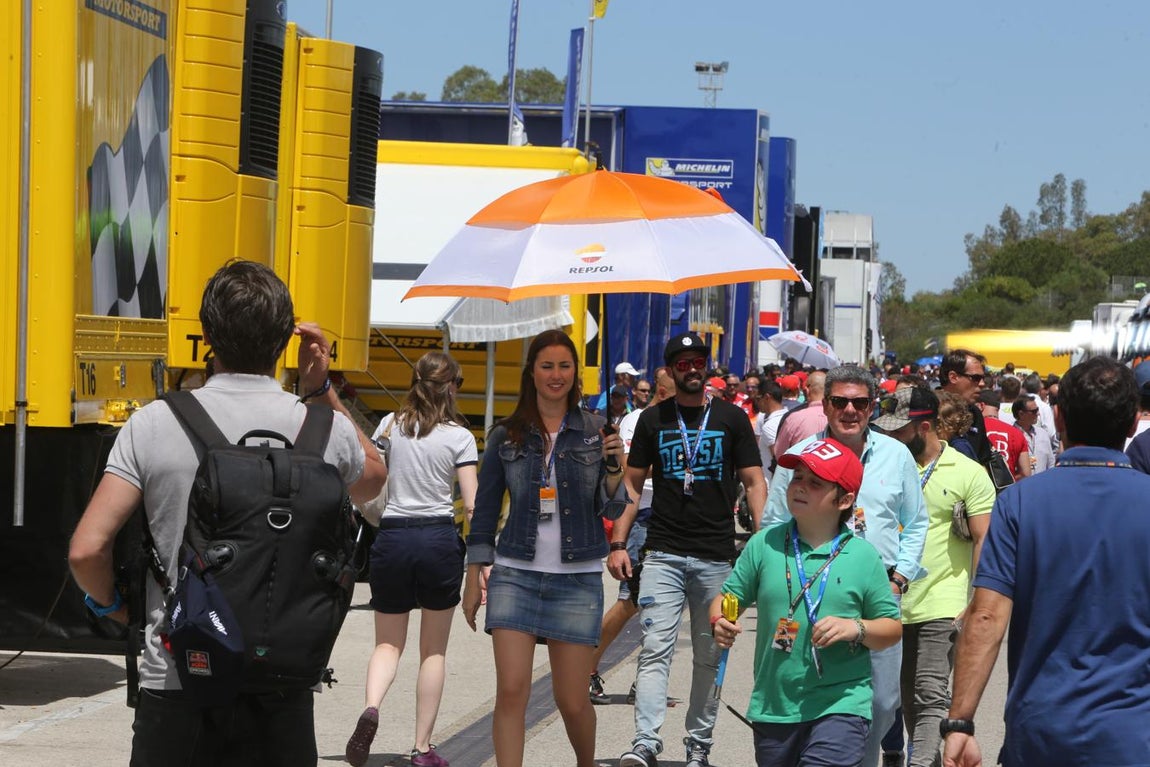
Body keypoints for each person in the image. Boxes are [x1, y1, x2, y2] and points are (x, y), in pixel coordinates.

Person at [68, 260, 386, 766]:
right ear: (286, 339)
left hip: (178, 675)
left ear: (207, 334)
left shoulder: (155, 423)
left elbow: (87, 549)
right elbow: (374, 476)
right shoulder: (323, 430)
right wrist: (321, 386)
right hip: (283, 681)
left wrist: (114, 608)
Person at [943, 357, 1150, 767]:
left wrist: (961, 722)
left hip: (1042, 730)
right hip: (1135, 734)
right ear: (1132, 425)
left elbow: (987, 617)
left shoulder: (1021, 502)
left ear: (1058, 415)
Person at [461, 329, 627, 767]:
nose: (557, 375)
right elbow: (484, 509)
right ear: (531, 372)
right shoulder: (506, 435)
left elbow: (613, 504)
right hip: (515, 572)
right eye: (547, 365)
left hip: (576, 579)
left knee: (571, 700)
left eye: (565, 366)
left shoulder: (597, 432)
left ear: (576, 373)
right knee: (512, 689)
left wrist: (615, 465)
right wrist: (472, 575)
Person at [611, 332, 767, 767]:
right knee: (655, 645)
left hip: (718, 557)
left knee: (710, 652)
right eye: (684, 363)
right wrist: (619, 542)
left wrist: (761, 538)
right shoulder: (652, 419)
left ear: (707, 367)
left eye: (699, 361)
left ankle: (699, 743)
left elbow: (754, 482)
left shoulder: (733, 419)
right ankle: (645, 741)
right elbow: (630, 484)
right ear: (671, 370)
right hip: (662, 551)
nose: (692, 368)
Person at [766, 365, 928, 767]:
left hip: (878, 593)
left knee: (882, 701)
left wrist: (900, 577)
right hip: (811, 589)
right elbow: (771, 521)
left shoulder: (895, 455)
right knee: (808, 690)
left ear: (872, 406)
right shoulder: (800, 454)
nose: (850, 410)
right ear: (826, 405)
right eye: (840, 401)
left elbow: (917, 520)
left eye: (860, 402)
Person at [712, 438, 902, 767]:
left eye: (815, 483)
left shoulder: (863, 555)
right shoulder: (764, 544)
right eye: (797, 477)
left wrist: (855, 627)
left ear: (844, 499)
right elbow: (727, 600)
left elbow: (891, 628)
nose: (800, 487)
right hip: (775, 705)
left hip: (842, 703)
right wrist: (720, 622)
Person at [344, 352, 478, 767]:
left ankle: (371, 707)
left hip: (394, 538)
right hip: (438, 538)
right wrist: (482, 558)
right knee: (433, 652)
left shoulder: (389, 426)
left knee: (387, 643)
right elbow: (472, 505)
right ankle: (422, 747)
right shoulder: (460, 436)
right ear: (452, 386)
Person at [872, 387, 994, 767]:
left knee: (929, 692)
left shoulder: (968, 473)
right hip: (885, 598)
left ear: (924, 426)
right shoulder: (879, 464)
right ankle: (920, 757)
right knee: (896, 697)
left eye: (898, 430)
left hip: (942, 600)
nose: (889, 436)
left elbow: (983, 539)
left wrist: (975, 600)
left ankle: (920, 762)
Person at [589, 366, 675, 705]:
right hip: (642, 515)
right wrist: (670, 461)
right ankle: (587, 667)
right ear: (664, 391)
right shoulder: (637, 420)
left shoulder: (682, 420)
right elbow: (625, 468)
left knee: (665, 605)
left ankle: (648, 680)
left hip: (673, 518)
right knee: (629, 602)